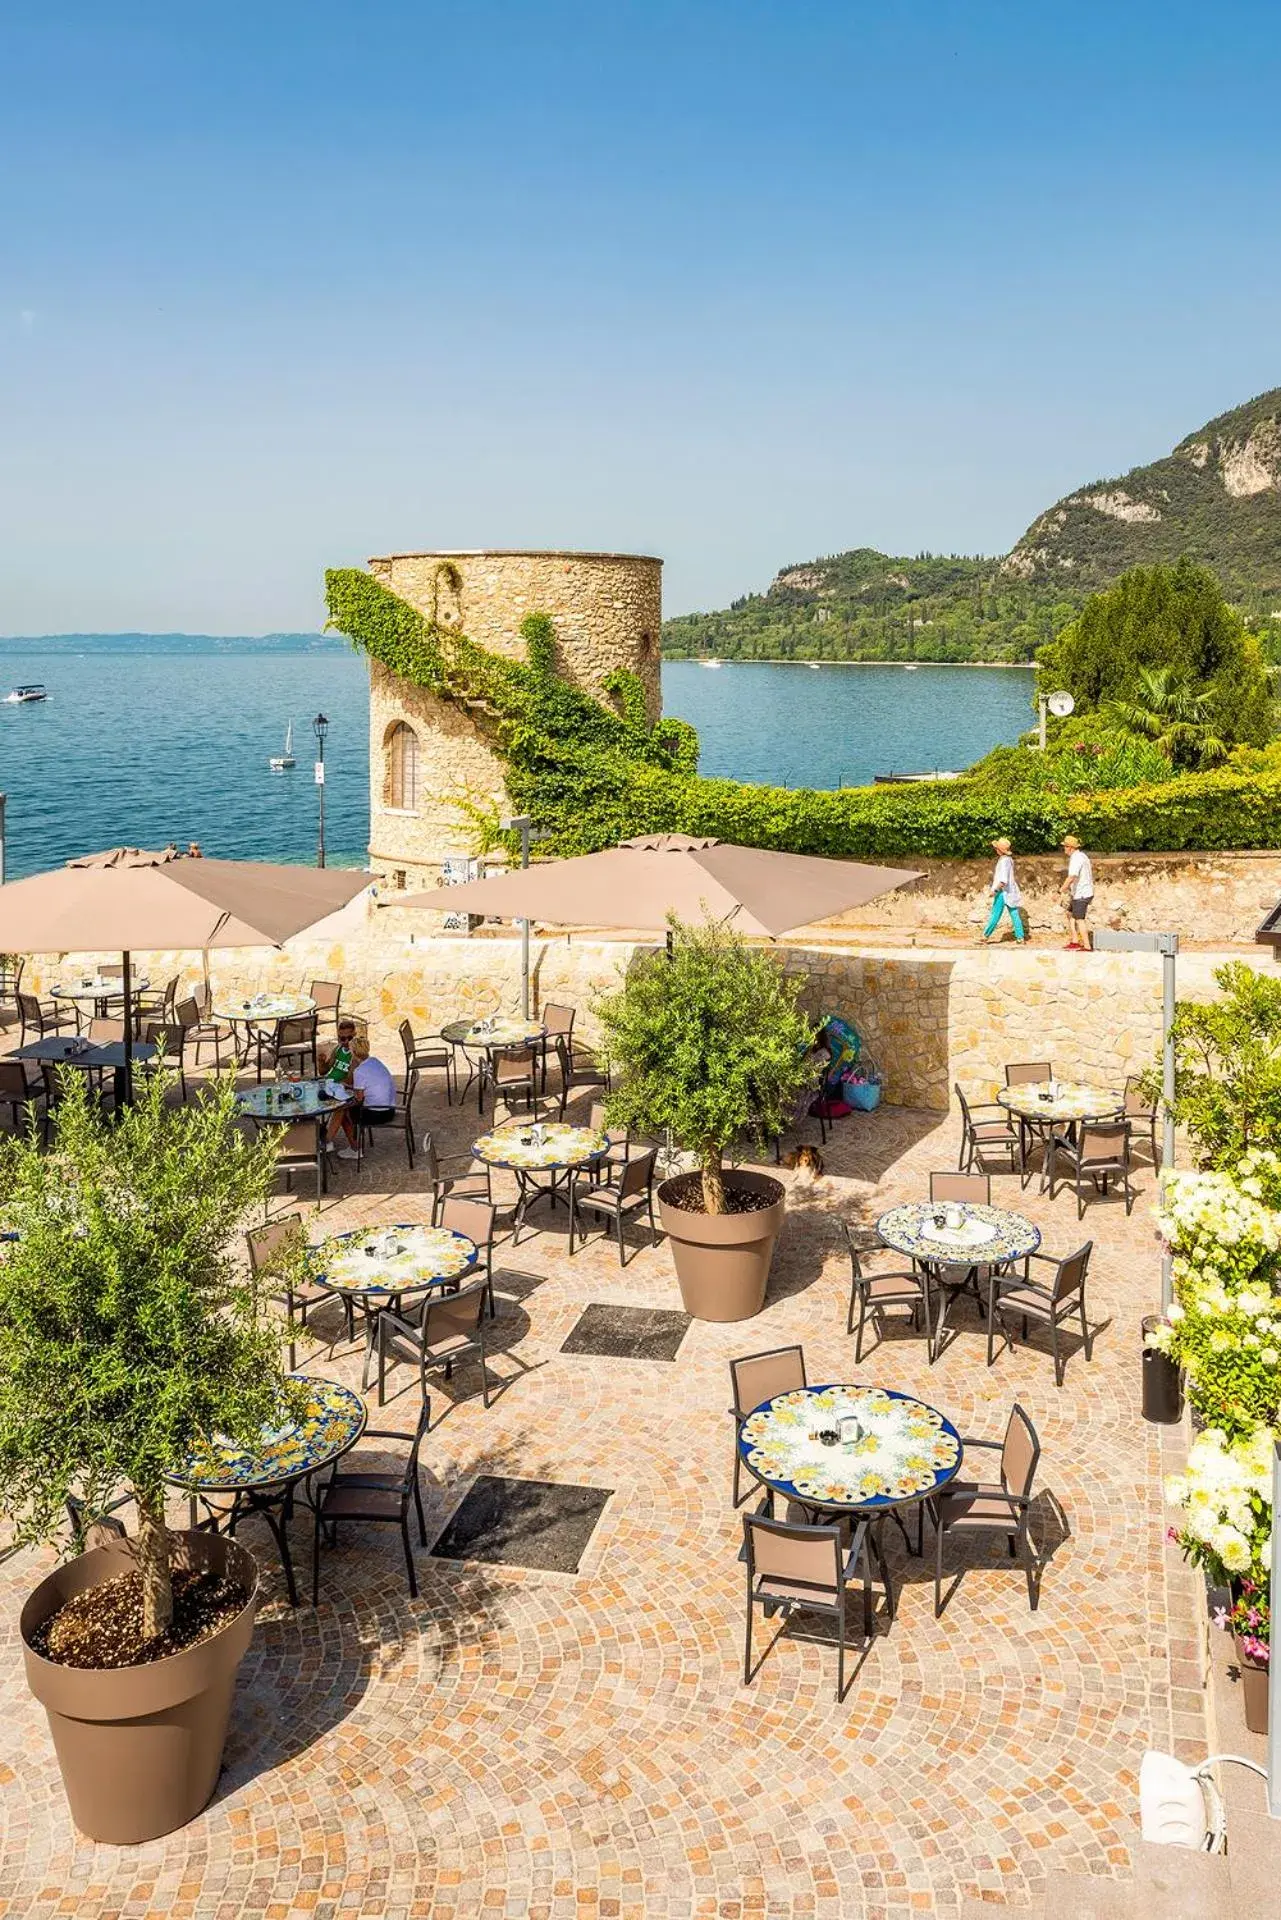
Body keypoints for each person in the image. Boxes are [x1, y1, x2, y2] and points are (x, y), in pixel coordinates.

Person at [321, 1018, 396, 1160]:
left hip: (378, 1113)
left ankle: (329, 1142)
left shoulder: (359, 1071)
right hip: (389, 1109)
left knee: (342, 1109)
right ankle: (343, 1145)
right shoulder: (374, 1061)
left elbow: (359, 1098)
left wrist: (347, 1089)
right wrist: (349, 1087)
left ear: (354, 1053)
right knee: (342, 1110)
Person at [982, 837, 1026, 944]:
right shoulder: (1009, 860)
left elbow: (1003, 880)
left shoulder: (1003, 861)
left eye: (996, 848)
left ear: (999, 850)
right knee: (1014, 913)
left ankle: (985, 936)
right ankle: (1020, 937)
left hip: (1002, 892)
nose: (995, 849)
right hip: (1009, 891)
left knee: (995, 914)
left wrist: (994, 891)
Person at [1061, 835, 1095, 950]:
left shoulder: (1076, 858)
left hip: (1082, 894)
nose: (1064, 849)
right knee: (1070, 914)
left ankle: (1087, 946)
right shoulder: (1081, 856)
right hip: (1079, 892)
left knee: (1080, 919)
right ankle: (1075, 940)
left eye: (1065, 846)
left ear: (1070, 847)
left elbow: (1072, 877)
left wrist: (1060, 890)